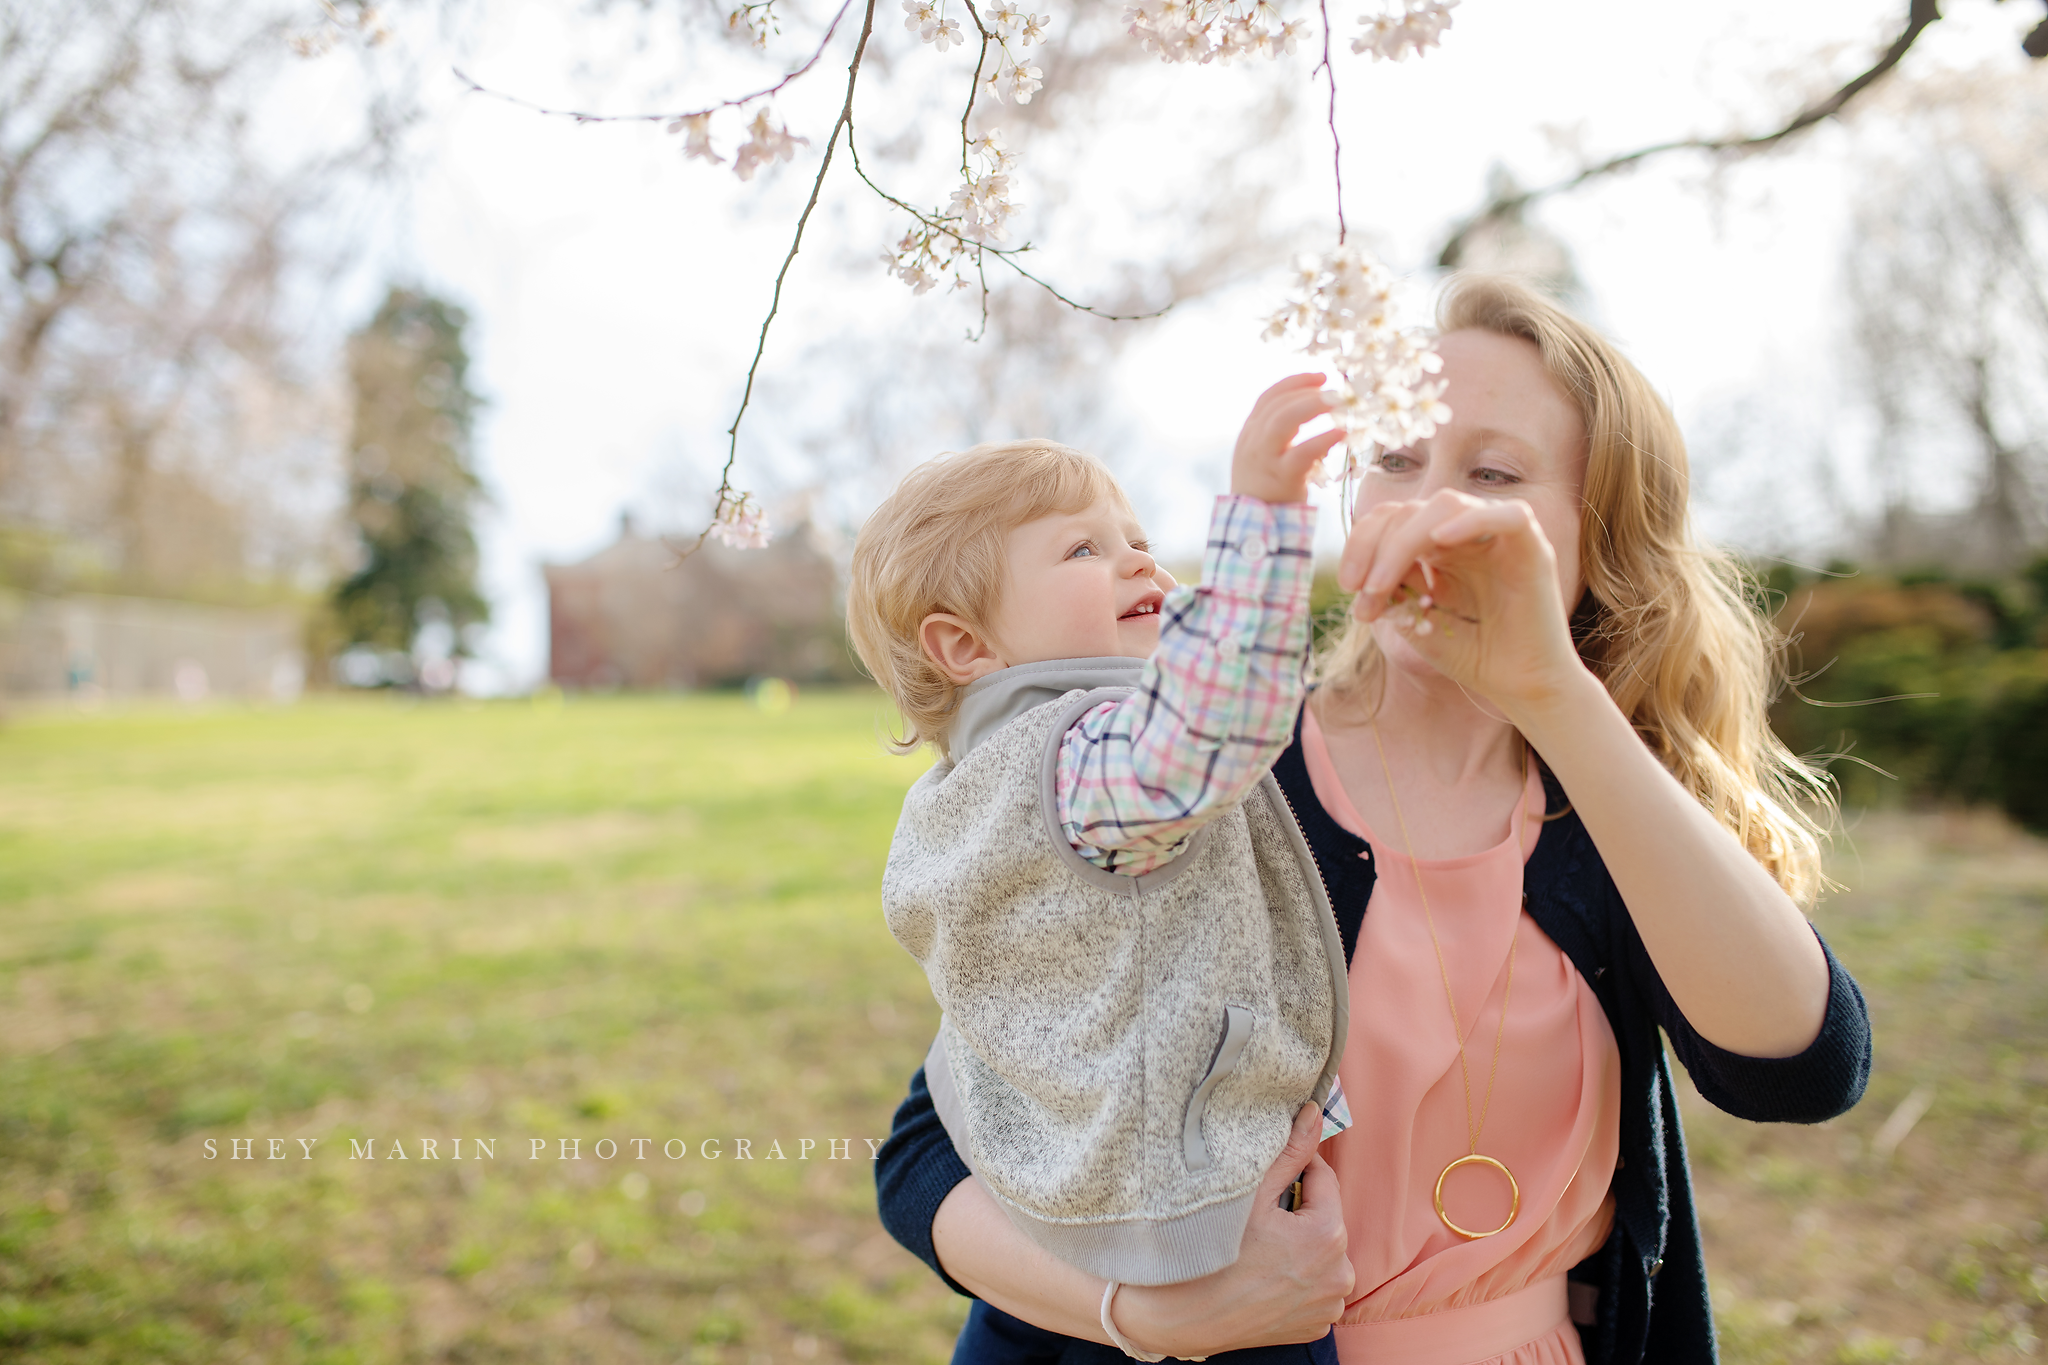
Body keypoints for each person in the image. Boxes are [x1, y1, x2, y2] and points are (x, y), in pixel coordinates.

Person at [874, 274, 1873, 1365]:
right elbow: (936, 1146)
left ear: (1595, 539)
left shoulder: (1606, 806)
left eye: (1490, 473)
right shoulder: (1199, 784)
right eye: (1393, 459)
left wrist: (1555, 699)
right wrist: (1144, 1316)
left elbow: (1799, 1070)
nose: (1421, 504)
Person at [843, 383, 1358, 1317]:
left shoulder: (973, 783)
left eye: (1137, 540)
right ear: (965, 644)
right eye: (1084, 548)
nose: (1137, 561)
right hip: (1185, 1229)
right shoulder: (1079, 759)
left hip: (1051, 1201)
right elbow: (1210, 735)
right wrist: (1262, 524)